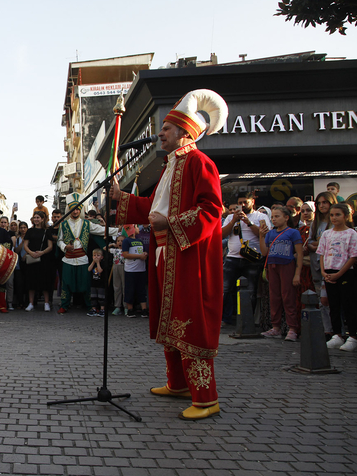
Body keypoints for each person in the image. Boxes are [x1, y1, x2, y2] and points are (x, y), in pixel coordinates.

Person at [110, 89, 228, 420]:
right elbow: (153, 207)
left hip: (189, 256)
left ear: (185, 132)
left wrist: (171, 222)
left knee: (191, 323)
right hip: (167, 253)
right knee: (170, 321)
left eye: (166, 128)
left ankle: (206, 398)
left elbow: (211, 210)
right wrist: (122, 198)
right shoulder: (171, 166)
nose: (160, 133)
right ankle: (177, 384)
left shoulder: (199, 162)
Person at [221, 190, 271, 323]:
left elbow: (265, 235)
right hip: (232, 258)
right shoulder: (230, 217)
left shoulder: (261, 217)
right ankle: (221, 319)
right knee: (224, 290)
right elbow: (221, 235)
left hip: (252, 259)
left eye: (245, 202)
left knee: (250, 291)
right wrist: (234, 221)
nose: (242, 205)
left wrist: (248, 222)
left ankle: (246, 322)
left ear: (252, 202)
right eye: (240, 203)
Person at [319, 204, 357, 351]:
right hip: (329, 271)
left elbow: (354, 255)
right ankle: (337, 334)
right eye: (332, 215)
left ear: (345, 216)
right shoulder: (326, 234)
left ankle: (353, 336)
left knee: (348, 304)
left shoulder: (351, 233)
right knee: (333, 305)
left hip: (345, 271)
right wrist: (324, 272)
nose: (334, 218)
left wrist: (339, 273)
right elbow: (322, 253)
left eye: (338, 214)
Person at [57, 193, 108, 314]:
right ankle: (64, 305)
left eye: (77, 209)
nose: (75, 212)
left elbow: (100, 230)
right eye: (73, 209)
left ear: (80, 210)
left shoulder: (86, 223)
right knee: (67, 284)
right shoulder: (63, 224)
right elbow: (59, 241)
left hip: (82, 259)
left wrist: (120, 230)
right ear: (69, 210)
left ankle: (90, 305)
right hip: (68, 259)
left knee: (85, 283)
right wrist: (65, 247)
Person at [258, 206, 303, 341]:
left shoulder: (293, 232)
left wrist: (297, 273)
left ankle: (292, 328)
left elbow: (299, 254)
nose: (274, 219)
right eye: (273, 217)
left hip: (287, 265)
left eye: (277, 216)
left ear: (286, 218)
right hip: (272, 266)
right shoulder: (270, 233)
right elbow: (264, 252)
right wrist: (261, 236)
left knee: (288, 296)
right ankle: (276, 327)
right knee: (274, 297)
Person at [308, 191, 338, 336]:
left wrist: (321, 244)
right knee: (321, 300)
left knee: (332, 300)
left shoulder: (336, 222)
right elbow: (310, 242)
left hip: (333, 265)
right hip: (317, 264)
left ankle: (338, 330)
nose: (321, 206)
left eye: (325, 202)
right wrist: (317, 244)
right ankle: (327, 330)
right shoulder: (316, 223)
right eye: (319, 203)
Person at [23, 211, 54, 311]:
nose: (36, 219)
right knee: (31, 282)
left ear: (42, 219)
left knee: (44, 282)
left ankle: (46, 303)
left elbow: (50, 246)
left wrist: (42, 252)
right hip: (32, 258)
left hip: (44, 259)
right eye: (35, 217)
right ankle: (31, 303)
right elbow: (25, 245)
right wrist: (31, 253)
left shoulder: (47, 231)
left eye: (38, 217)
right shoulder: (30, 231)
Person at [122, 230, 148, 317]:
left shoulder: (140, 240)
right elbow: (125, 254)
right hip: (131, 270)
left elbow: (141, 251)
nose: (138, 229)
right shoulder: (126, 241)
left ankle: (144, 309)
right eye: (136, 227)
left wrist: (144, 254)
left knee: (141, 289)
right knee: (130, 289)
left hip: (141, 269)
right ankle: (130, 309)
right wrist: (139, 256)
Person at [86, 248, 107, 316]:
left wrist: (98, 263)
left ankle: (102, 309)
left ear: (102, 257)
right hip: (93, 283)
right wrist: (93, 262)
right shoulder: (93, 263)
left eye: (98, 255)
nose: (96, 257)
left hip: (101, 284)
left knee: (101, 297)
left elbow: (100, 271)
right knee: (93, 297)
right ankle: (94, 309)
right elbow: (89, 269)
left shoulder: (102, 263)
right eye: (94, 255)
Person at [108, 234, 126, 316]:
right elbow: (105, 248)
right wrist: (112, 244)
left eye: (122, 241)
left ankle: (126, 306)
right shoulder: (115, 250)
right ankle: (117, 306)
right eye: (118, 241)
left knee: (125, 286)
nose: (120, 242)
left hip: (124, 267)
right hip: (115, 267)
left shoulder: (126, 250)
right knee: (117, 286)